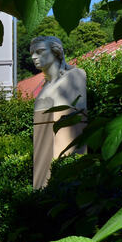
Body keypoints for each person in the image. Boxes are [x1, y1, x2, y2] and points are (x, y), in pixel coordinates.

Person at [29, 36, 87, 188]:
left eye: (40, 51)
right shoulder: (44, 87)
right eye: (32, 53)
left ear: (56, 52)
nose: (34, 57)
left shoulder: (77, 76)